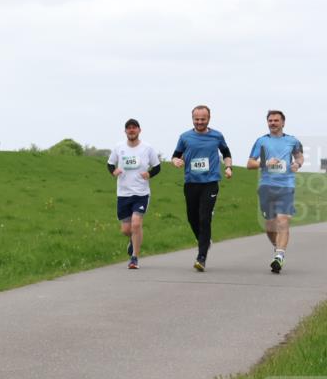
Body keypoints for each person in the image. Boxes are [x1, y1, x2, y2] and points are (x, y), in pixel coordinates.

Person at [171, 105, 233, 272]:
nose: (199, 122)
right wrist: (176, 161)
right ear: (192, 119)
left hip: (210, 182)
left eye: (202, 119)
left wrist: (228, 168)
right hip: (191, 182)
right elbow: (175, 155)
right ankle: (205, 240)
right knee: (192, 217)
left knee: (204, 217)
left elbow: (226, 153)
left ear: (209, 119)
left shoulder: (217, 136)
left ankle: (201, 257)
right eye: (196, 119)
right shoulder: (185, 137)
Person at [246, 110, 304, 273]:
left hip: (286, 185)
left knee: (283, 220)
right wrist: (265, 163)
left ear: (283, 123)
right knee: (270, 226)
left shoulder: (292, 141)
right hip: (266, 185)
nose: (272, 123)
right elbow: (250, 163)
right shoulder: (261, 141)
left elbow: (299, 157)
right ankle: (277, 247)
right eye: (270, 121)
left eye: (276, 120)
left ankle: (279, 255)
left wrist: (297, 164)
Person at [107, 119, 161, 269]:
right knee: (126, 230)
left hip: (141, 192)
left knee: (136, 224)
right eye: (128, 128)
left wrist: (149, 174)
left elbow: (157, 167)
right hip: (123, 193)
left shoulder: (147, 148)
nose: (131, 130)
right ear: (125, 131)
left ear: (139, 130)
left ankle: (134, 258)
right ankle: (132, 240)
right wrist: (113, 171)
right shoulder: (119, 147)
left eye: (134, 128)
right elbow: (110, 163)